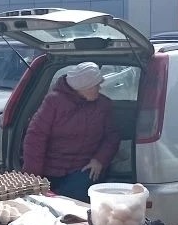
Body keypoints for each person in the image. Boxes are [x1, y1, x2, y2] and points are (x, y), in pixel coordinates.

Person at [21, 62, 120, 203]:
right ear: (83, 87)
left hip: (84, 168)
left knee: (69, 200)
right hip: (51, 167)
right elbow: (35, 138)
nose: (99, 88)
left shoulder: (104, 105)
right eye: (96, 85)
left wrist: (99, 160)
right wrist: (33, 176)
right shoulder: (53, 102)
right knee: (45, 201)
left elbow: (112, 137)